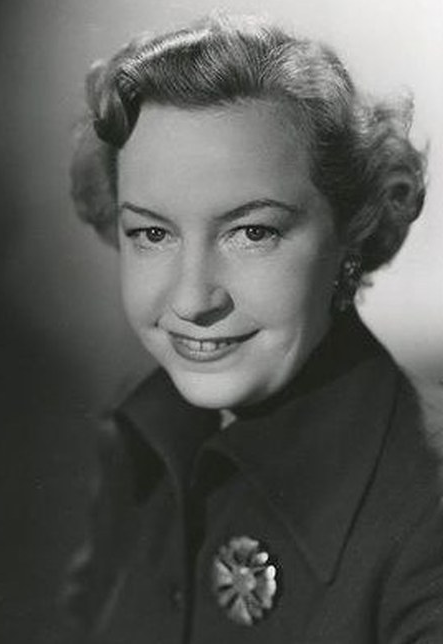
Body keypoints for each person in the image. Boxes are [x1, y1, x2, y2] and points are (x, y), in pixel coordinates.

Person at [60, 13, 443, 644]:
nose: (192, 299)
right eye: (151, 233)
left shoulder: (427, 512)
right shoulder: (140, 445)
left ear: (353, 231)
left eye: (252, 232)